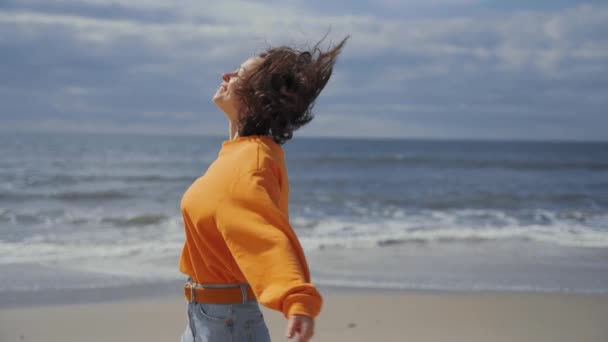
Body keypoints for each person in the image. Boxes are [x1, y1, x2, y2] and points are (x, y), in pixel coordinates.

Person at [178, 35, 348, 342]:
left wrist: (297, 299)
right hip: (207, 318)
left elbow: (267, 235)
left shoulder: (251, 161)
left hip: (225, 324)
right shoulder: (237, 155)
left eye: (239, 75)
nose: (225, 75)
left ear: (257, 97)